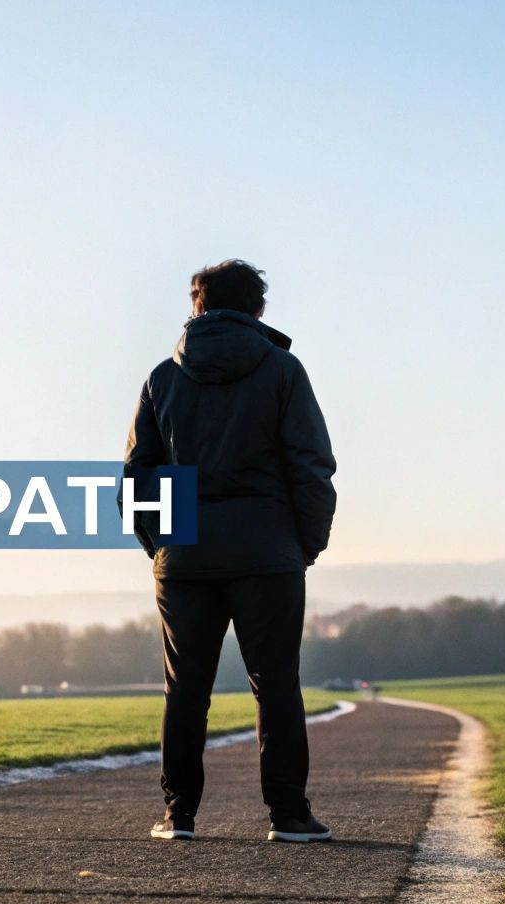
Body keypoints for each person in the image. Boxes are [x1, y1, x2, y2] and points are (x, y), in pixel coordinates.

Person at [122, 260, 337, 842]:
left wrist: (161, 545)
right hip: (269, 552)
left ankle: (179, 815)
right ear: (257, 309)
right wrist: (305, 543)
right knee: (277, 684)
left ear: (196, 307)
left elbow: (137, 477)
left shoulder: (161, 379)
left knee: (185, 690)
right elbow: (311, 465)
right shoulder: (283, 370)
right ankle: (289, 815)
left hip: (185, 555)